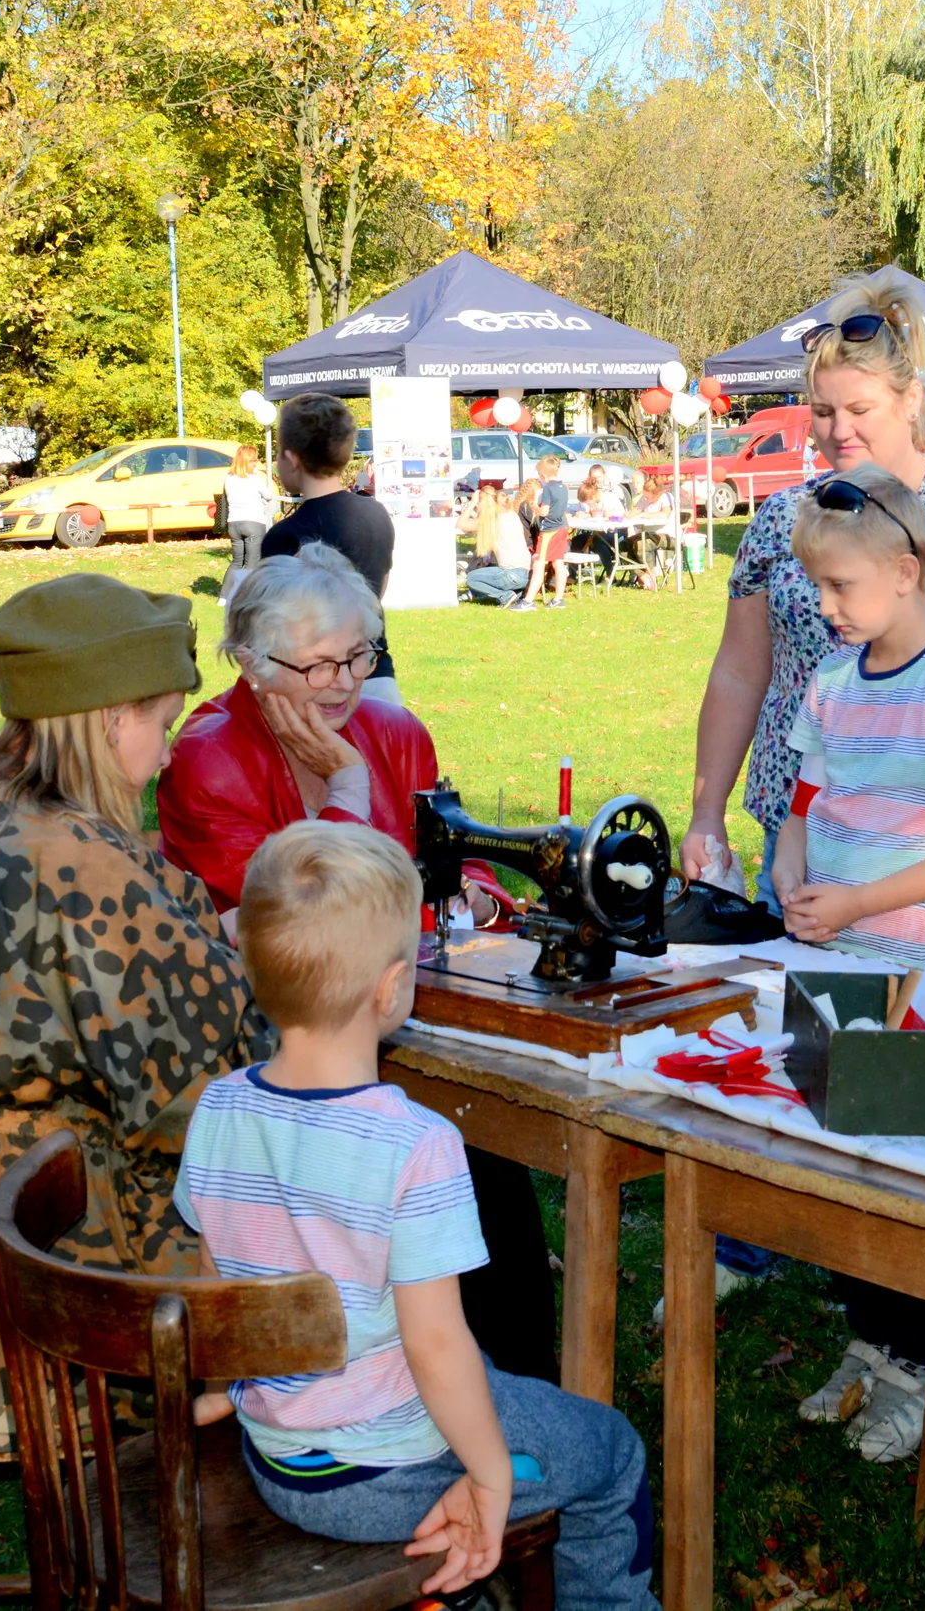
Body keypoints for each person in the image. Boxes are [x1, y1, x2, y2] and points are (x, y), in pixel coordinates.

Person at [179, 822, 658, 1611]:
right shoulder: (418, 1145)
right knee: (610, 1453)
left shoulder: (220, 1108)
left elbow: (216, 1283)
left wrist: (229, 1389)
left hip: (278, 1454)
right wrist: (490, 1475)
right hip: (383, 1471)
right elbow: (436, 1345)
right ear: (391, 986)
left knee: (499, 1390)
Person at [0, 574, 262, 1454]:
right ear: (109, 719)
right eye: (162, 722)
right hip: (35, 1282)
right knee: (324, 1223)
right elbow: (207, 1086)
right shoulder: (77, 859)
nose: (170, 752)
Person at [155, 544, 556, 1383]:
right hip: (273, 1034)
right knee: (450, 1136)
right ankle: (421, 1366)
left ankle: (513, 1370)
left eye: (359, 655)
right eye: (319, 664)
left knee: (488, 1133)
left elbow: (450, 854)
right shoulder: (209, 756)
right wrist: (345, 785)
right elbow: (303, 927)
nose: (343, 682)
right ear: (254, 665)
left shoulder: (395, 732)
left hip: (399, 1003)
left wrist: (477, 886)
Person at [683, 271, 925, 908]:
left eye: (859, 410)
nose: (838, 430)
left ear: (910, 401)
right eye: (822, 412)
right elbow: (738, 671)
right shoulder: (782, 519)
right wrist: (707, 814)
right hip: (803, 838)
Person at [768, 468, 925, 960]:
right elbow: (803, 809)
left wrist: (857, 903)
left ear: (904, 573)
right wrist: (788, 873)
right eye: (818, 586)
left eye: (840, 585)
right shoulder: (832, 676)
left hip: (923, 970)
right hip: (826, 955)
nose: (825, 606)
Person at [263, 392, 401, 705]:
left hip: (318, 688)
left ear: (293, 457)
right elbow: (377, 591)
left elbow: (277, 625)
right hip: (376, 674)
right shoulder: (375, 513)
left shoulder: (285, 535)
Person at [220, 443, 275, 604]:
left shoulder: (229, 478)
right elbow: (269, 496)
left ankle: (223, 597)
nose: (255, 464)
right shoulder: (254, 479)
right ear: (246, 461)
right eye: (253, 461)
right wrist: (259, 476)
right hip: (253, 522)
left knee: (237, 561)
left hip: (234, 523)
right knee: (252, 561)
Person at [464, 485, 532, 607]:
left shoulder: (491, 520)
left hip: (510, 574)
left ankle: (505, 595)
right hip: (526, 574)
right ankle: (515, 592)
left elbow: (462, 525)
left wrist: (472, 503)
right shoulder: (512, 515)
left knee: (471, 578)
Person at [518, 455, 572, 610]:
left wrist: (534, 505)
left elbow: (544, 512)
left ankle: (528, 601)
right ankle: (558, 599)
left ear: (543, 475)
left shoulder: (548, 489)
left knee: (539, 565)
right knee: (558, 563)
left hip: (549, 531)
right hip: (562, 528)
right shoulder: (563, 488)